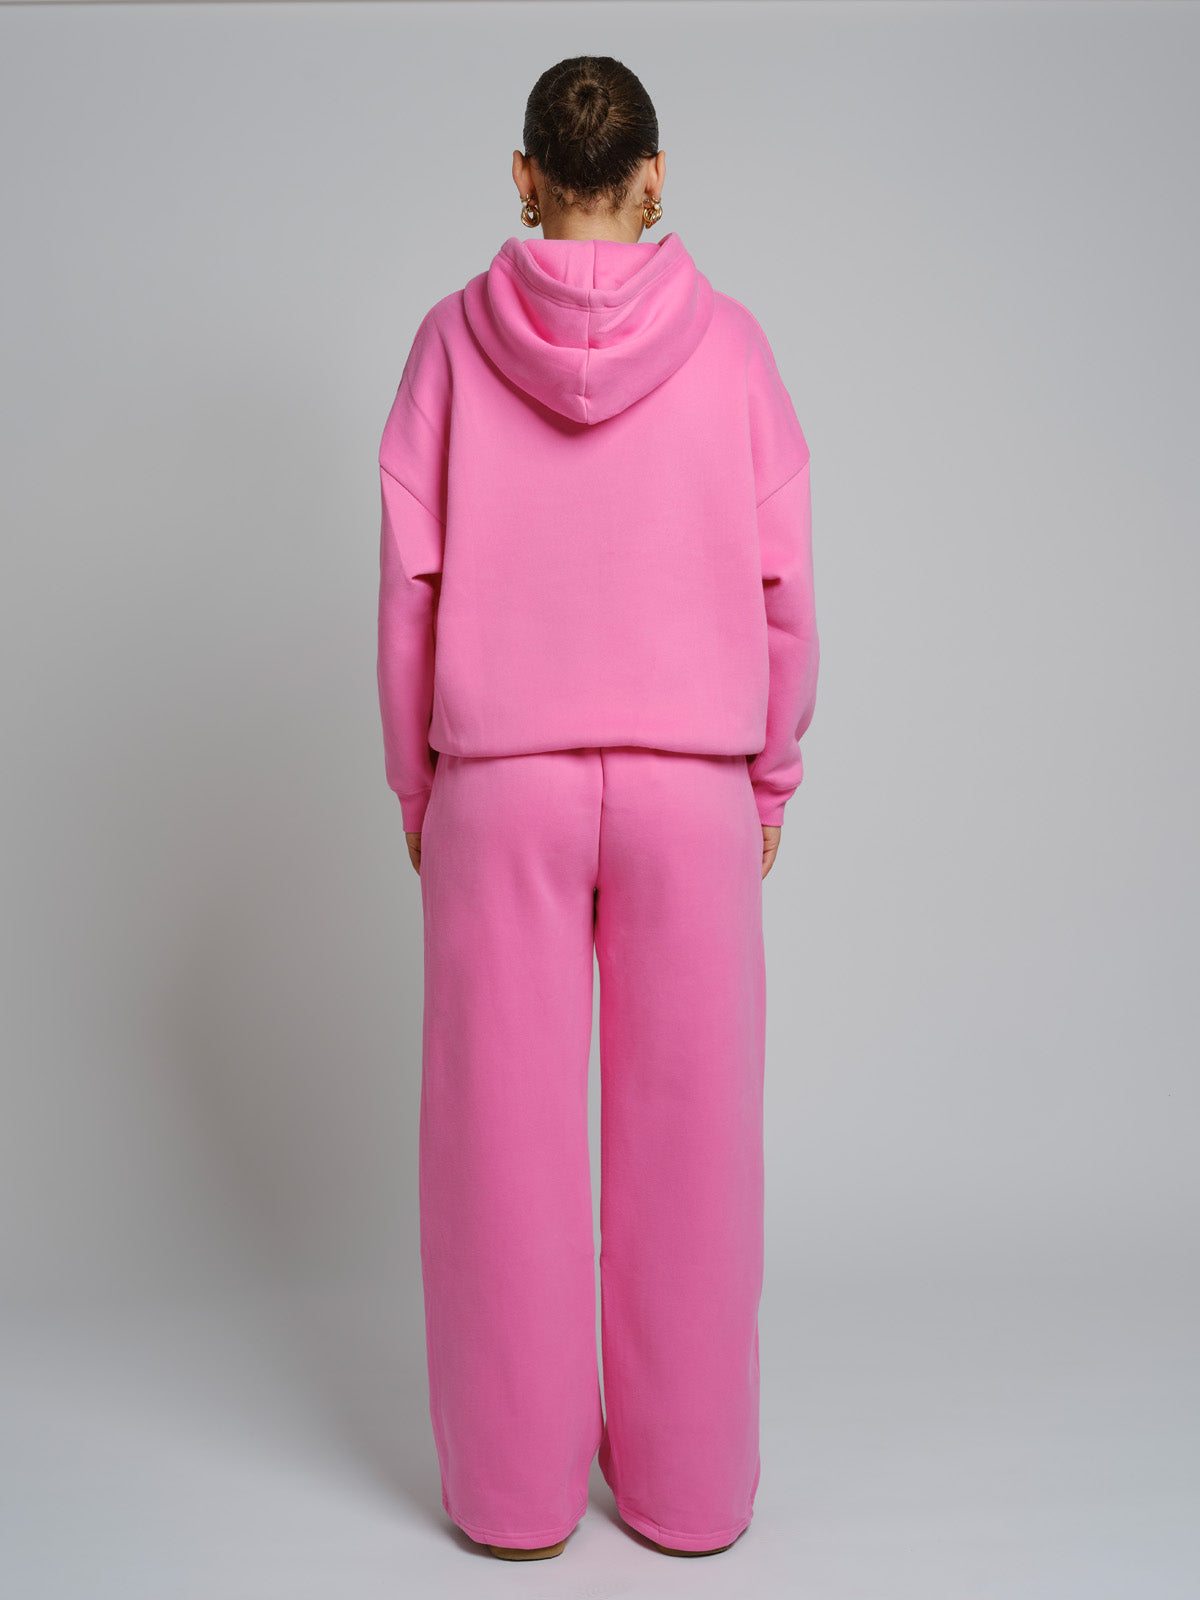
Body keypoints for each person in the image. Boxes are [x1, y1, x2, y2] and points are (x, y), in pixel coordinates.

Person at [376, 54, 819, 1563]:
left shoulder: (450, 343)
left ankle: (512, 1500)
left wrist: (417, 781)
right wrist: (770, 774)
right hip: (691, 791)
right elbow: (784, 586)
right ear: (654, 178)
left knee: (496, 1146)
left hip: (502, 784)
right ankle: (692, 1495)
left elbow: (411, 588)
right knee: (695, 1146)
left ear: (523, 179)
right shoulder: (734, 347)